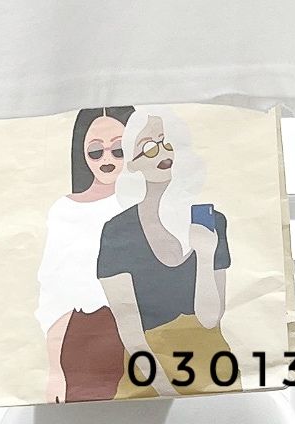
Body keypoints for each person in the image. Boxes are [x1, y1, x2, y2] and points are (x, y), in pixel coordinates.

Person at [97, 108, 232, 393]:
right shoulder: (117, 232)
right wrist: (167, 392)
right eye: (148, 146)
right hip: (148, 376)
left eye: (168, 142)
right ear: (132, 161)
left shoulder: (211, 222)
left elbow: (210, 319)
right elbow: (131, 333)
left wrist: (205, 255)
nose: (162, 152)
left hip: (214, 369)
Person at [35, 107, 134, 403]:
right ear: (81, 153)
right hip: (85, 337)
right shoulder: (65, 210)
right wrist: (55, 371)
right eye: (95, 151)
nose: (107, 159)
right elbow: (54, 293)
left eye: (118, 149)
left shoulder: (147, 203)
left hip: (146, 331)